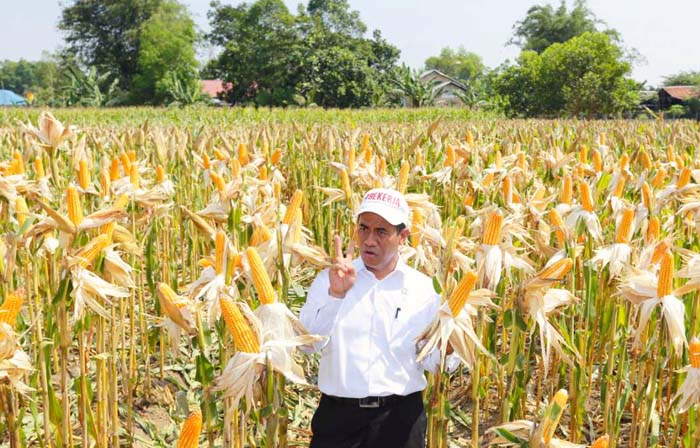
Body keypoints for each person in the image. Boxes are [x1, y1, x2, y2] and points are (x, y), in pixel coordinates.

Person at [300, 188, 445, 448]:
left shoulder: (425, 290)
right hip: (339, 419)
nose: (369, 240)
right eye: (363, 228)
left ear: (403, 237)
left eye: (381, 232)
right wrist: (335, 296)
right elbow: (306, 344)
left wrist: (453, 338)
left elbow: (436, 362)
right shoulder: (329, 280)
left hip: (400, 419)